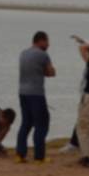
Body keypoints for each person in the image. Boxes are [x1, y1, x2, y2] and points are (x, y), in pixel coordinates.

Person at [16, 31, 56, 164]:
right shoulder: (43, 55)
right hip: (36, 93)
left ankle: (20, 154)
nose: (48, 45)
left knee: (26, 123)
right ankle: (39, 156)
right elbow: (51, 72)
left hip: (22, 92)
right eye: (47, 41)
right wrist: (48, 71)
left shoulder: (23, 53)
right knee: (42, 124)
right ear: (41, 41)